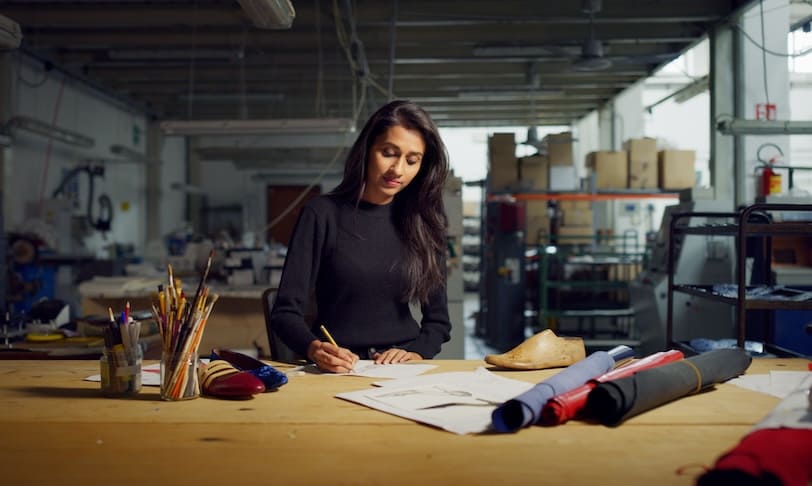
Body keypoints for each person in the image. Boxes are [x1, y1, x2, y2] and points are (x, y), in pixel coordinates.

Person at [269, 99, 452, 373]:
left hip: (400, 369)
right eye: (389, 153)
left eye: (412, 160)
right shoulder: (321, 214)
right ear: (367, 150)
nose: (398, 170)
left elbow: (438, 321)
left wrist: (417, 352)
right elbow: (285, 313)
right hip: (338, 366)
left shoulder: (424, 222)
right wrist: (314, 348)